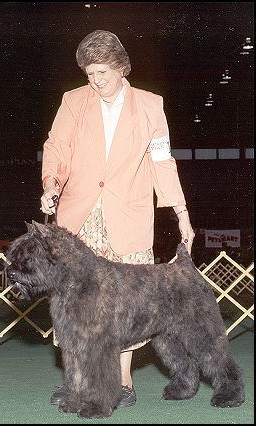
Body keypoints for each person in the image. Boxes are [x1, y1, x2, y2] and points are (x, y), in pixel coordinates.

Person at [40, 30, 195, 407]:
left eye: (102, 74)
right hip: (81, 214)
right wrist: (51, 183)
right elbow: (56, 146)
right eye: (89, 74)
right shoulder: (73, 101)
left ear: (121, 67)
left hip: (129, 214)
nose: (95, 82)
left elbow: (162, 162)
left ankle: (123, 381)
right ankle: (76, 379)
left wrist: (181, 213)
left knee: (124, 303)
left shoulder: (150, 105)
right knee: (76, 301)